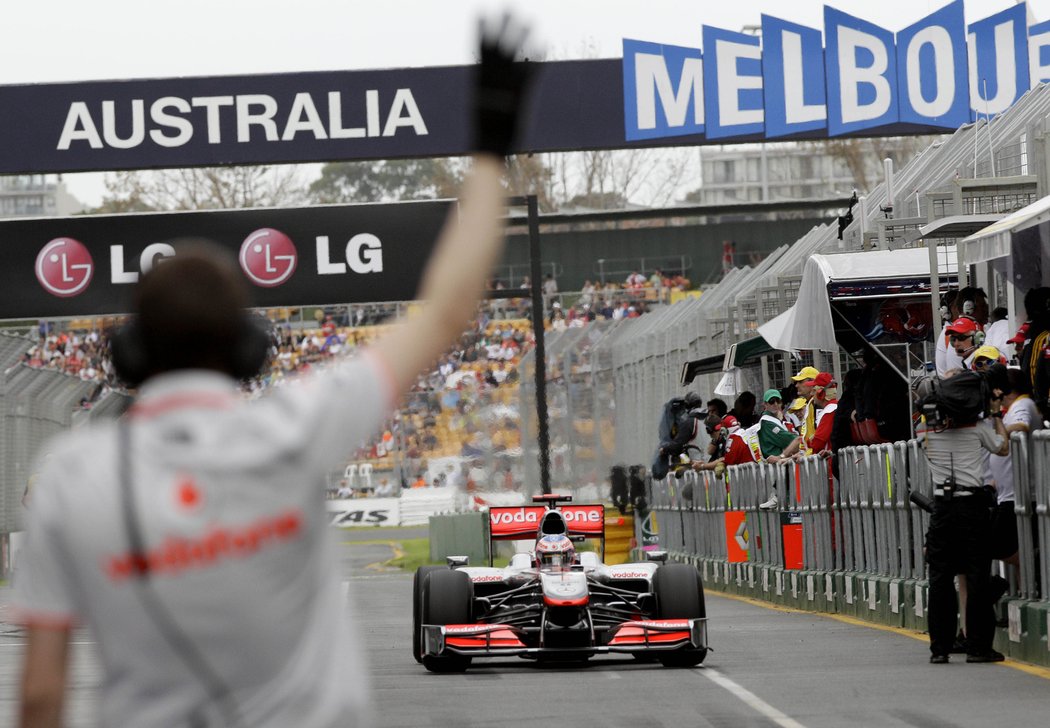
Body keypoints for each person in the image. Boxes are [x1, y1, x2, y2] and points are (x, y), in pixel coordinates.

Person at [12, 20, 533, 728]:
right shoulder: (296, 422)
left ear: (129, 353)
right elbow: (447, 312)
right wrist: (489, 151)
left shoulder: (70, 473)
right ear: (248, 350)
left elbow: (41, 696)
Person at [922, 367, 1009, 664]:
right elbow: (1002, 447)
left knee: (940, 577)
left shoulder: (928, 431)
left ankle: (940, 649)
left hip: (942, 508)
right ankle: (978, 647)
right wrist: (996, 415)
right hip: (971, 506)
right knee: (976, 577)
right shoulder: (979, 428)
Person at [757, 389, 801, 461]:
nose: (775, 404)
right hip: (776, 466)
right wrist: (782, 456)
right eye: (772, 401)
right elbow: (793, 441)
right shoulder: (767, 423)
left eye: (778, 401)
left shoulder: (777, 421)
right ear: (765, 404)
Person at [804, 373, 838, 454]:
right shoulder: (834, 407)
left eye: (814, 390)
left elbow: (818, 443)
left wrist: (810, 441)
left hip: (830, 463)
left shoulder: (829, 411)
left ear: (821, 394)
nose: (812, 394)